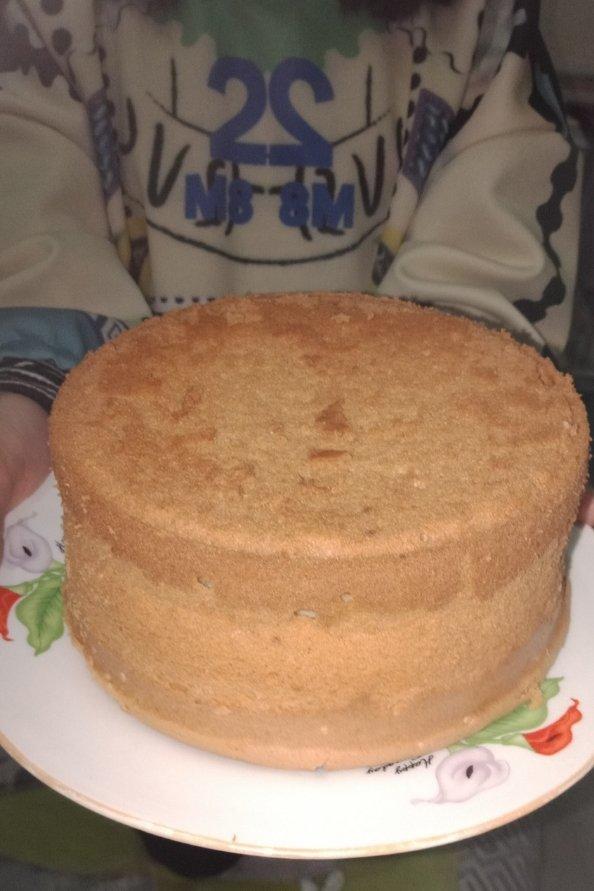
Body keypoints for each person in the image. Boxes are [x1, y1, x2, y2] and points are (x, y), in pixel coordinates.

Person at [0, 0, 592, 887]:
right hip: (114, 444)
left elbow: (503, 213)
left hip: (417, 462)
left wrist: (492, 447)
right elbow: (23, 180)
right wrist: (26, 378)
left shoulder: (479, 18)